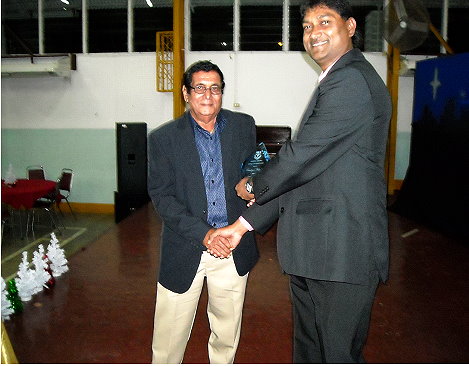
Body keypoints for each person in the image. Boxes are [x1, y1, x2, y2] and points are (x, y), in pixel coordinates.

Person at [208, 0, 392, 363]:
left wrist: (253, 184)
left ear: (351, 27)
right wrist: (243, 226)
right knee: (310, 353)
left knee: (336, 355)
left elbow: (301, 156)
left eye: (325, 21)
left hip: (342, 250)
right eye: (307, 26)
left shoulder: (350, 80)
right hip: (318, 252)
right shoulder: (335, 80)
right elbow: (307, 172)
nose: (314, 32)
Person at [147, 60, 259, 364]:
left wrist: (253, 185)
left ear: (222, 92)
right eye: (199, 87)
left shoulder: (243, 125)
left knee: (226, 334)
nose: (207, 95)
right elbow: (162, 197)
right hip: (185, 246)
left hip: (233, 246)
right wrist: (206, 234)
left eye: (215, 88)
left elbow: (255, 168)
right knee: (168, 339)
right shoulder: (163, 139)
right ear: (185, 93)